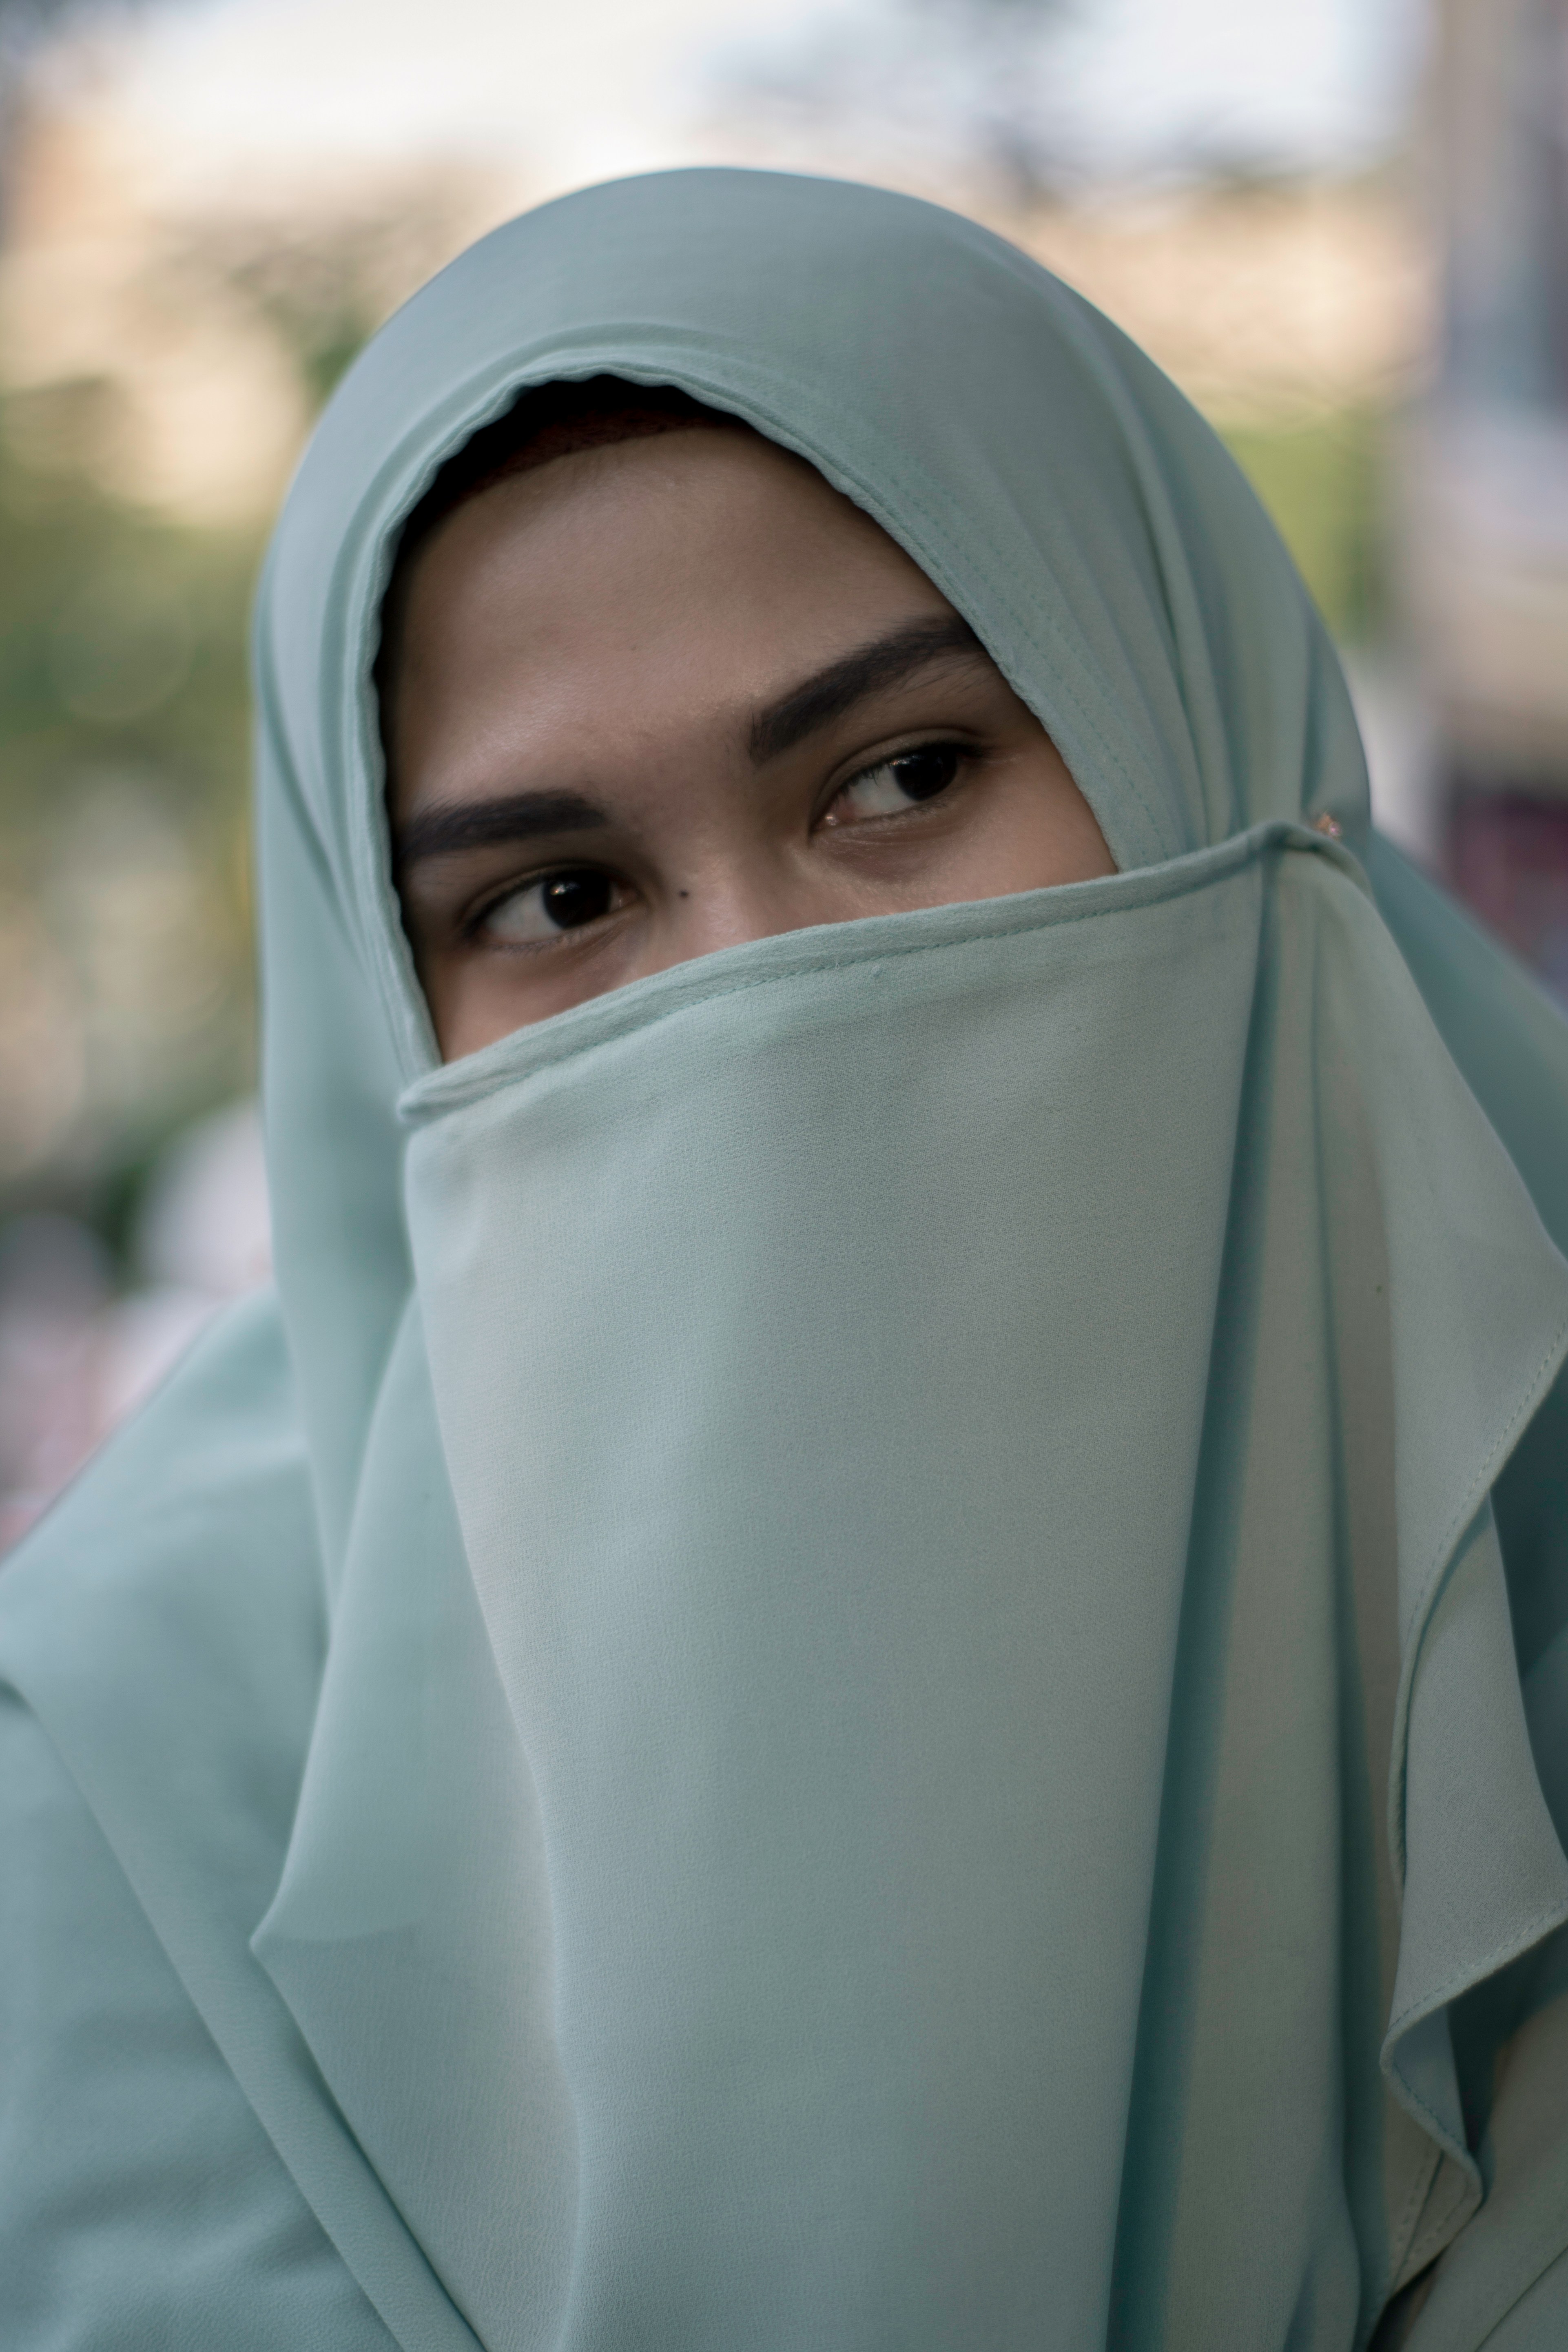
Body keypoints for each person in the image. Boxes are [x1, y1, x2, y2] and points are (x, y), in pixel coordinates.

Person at [4, 168, 1568, 2352]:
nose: (763, 996)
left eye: (903, 774)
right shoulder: (123, 1799)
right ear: (387, 1017)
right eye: (556, 901)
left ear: (1190, 736)